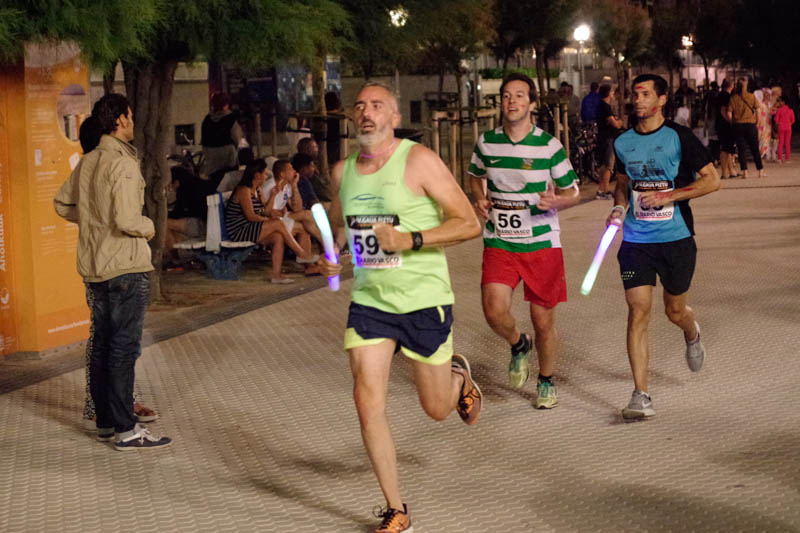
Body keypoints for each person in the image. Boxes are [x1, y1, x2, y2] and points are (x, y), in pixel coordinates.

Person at [317, 81, 483, 533]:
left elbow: (468, 223)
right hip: (370, 301)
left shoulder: (419, 160)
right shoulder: (342, 172)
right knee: (366, 400)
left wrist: (410, 239)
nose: (365, 112)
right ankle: (396, 509)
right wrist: (332, 252)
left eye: (377, 106)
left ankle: (458, 380)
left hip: (424, 299)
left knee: (436, 409)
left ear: (394, 117)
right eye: (359, 106)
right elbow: (343, 225)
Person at [54, 94, 172, 450]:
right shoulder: (122, 163)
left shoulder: (89, 161)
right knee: (123, 348)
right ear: (120, 119)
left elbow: (62, 203)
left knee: (103, 345)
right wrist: (149, 226)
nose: (133, 121)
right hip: (124, 266)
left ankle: (105, 422)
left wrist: (93, 219)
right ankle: (126, 429)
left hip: (95, 267)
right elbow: (125, 219)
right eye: (130, 115)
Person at [606, 74, 720, 421]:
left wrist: (671, 195)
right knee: (638, 310)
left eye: (645, 94)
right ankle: (640, 395)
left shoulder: (679, 137)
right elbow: (622, 184)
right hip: (636, 241)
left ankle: (691, 331)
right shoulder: (623, 142)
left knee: (674, 311)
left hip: (676, 239)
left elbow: (712, 180)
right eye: (635, 94)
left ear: (662, 99)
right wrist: (618, 207)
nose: (638, 100)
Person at [469, 72, 580, 409]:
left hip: (542, 243)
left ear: (531, 104)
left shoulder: (549, 146)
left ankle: (545, 380)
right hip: (500, 240)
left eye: (519, 95)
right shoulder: (487, 143)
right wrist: (480, 198)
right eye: (506, 95)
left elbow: (572, 191)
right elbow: (475, 177)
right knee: (493, 311)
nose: (511, 101)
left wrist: (557, 200)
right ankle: (518, 344)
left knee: (542, 320)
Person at [224, 159, 312, 284]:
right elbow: (250, 216)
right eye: (264, 173)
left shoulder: (257, 189)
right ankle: (302, 254)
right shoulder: (244, 190)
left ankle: (276, 275)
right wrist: (268, 220)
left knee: (278, 237)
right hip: (240, 230)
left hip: (252, 227)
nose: (266, 176)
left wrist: (273, 195)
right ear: (257, 175)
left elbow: (265, 211)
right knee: (278, 223)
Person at [730, 77, 766, 178]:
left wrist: (732, 121)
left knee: (741, 149)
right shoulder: (752, 97)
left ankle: (745, 171)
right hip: (750, 125)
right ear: (746, 86)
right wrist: (757, 122)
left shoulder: (733, 98)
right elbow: (758, 110)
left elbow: (729, 112)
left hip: (738, 125)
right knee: (755, 148)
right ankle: (760, 170)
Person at [201, 92, 244, 176]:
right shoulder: (230, 118)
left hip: (210, 155)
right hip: (227, 154)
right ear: (226, 104)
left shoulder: (207, 119)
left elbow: (204, 139)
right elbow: (237, 138)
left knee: (214, 177)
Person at [595, 84, 624, 199]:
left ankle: (602, 189)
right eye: (611, 92)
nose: (613, 94)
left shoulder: (601, 105)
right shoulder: (605, 107)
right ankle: (604, 190)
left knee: (604, 165)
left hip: (604, 137)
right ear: (608, 93)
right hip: (608, 138)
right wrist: (619, 122)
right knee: (608, 165)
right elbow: (615, 124)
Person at [716, 79, 739, 179]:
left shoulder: (722, 95)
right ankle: (724, 172)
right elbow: (723, 110)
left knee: (729, 149)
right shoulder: (725, 96)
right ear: (731, 85)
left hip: (722, 124)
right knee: (726, 148)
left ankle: (731, 170)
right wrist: (730, 121)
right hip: (725, 125)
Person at [297, 137, 331, 202]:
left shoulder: (313, 163)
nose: (317, 149)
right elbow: (323, 192)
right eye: (314, 147)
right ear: (307, 149)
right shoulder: (306, 168)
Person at [773, 96, 795, 163]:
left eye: (780, 101)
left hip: (781, 128)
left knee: (781, 143)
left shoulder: (779, 110)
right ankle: (787, 158)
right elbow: (793, 120)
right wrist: (789, 124)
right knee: (787, 143)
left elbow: (776, 120)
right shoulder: (791, 110)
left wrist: (776, 126)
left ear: (783, 102)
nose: (779, 103)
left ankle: (779, 158)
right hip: (788, 128)